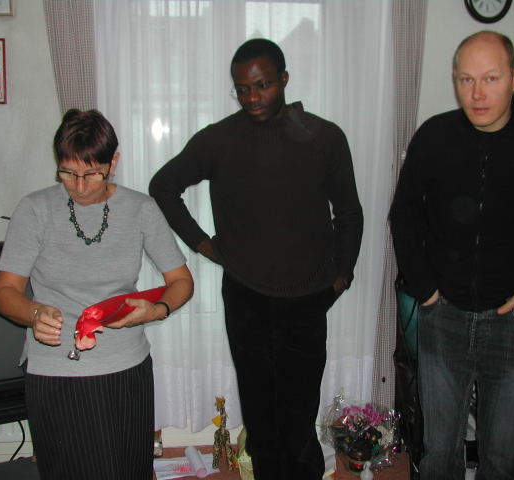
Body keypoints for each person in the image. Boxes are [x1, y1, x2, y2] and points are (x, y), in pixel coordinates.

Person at [149, 38, 363, 480]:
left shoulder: (323, 137)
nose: (252, 98)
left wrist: (342, 276)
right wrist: (203, 244)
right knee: (261, 419)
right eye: (242, 89)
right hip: (246, 298)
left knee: (299, 418)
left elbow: (349, 214)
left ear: (284, 79)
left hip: (308, 298)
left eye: (262, 85)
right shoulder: (220, 139)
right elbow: (163, 186)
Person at [389, 31, 514, 479]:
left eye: (491, 78)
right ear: (455, 80)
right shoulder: (435, 136)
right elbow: (404, 214)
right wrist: (425, 287)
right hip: (444, 319)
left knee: (501, 458)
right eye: (466, 79)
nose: (477, 93)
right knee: (438, 454)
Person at [0, 109, 193, 480]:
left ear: (113, 163)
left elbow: (181, 280)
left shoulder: (140, 209)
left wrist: (156, 310)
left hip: (125, 368)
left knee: (128, 470)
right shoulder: (34, 209)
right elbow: (5, 292)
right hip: (56, 370)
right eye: (68, 173)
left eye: (92, 174)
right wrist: (34, 314)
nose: (80, 186)